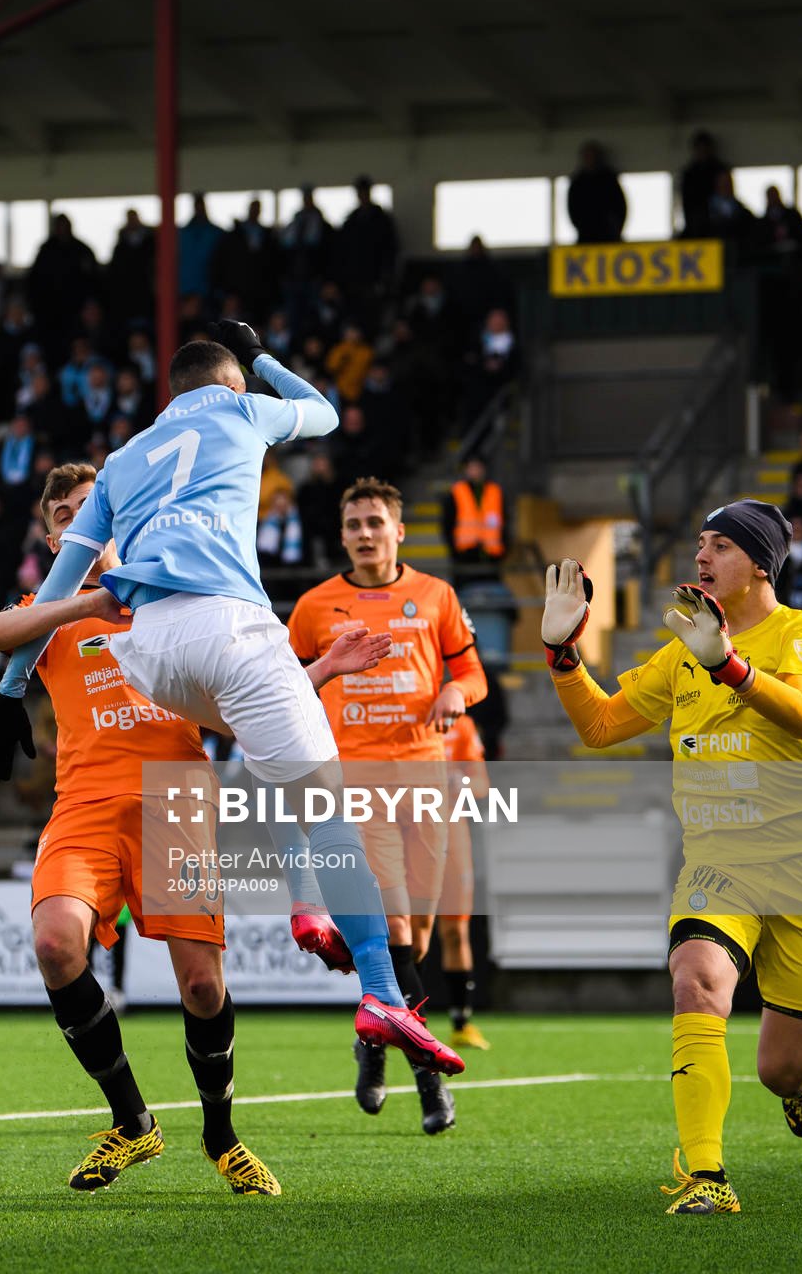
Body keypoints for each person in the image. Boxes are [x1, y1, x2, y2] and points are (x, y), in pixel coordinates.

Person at [0, 326, 462, 1081]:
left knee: (268, 758)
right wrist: (266, 356)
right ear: (232, 385)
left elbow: (51, 596)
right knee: (327, 806)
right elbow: (325, 413)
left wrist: (10, 692)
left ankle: (307, 904)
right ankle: (381, 990)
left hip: (152, 656)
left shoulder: (119, 462)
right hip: (229, 623)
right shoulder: (240, 412)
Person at [0, 461, 394, 1195]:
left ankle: (222, 1135)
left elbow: (239, 710)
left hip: (178, 807)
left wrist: (318, 670)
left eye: (90, 509)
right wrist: (82, 603)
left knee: (202, 988)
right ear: (49, 536)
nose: (80, 523)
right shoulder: (46, 615)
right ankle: (132, 1123)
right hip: (86, 806)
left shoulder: (174, 604)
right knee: (53, 941)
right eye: (65, 515)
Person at [541, 500, 802, 1215]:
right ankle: (706, 1175)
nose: (701, 557)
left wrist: (731, 666)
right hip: (721, 864)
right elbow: (599, 724)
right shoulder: (682, 651)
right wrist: (564, 656)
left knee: (779, 1070)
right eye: (699, 544)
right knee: (696, 979)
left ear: (761, 563)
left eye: (719, 545)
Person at [286, 478, 488, 1133]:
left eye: (376, 521)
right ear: (341, 535)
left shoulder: (436, 596)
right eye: (354, 524)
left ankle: (373, 1039)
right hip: (355, 785)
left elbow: (473, 672)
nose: (365, 533)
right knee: (395, 932)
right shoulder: (316, 606)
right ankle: (430, 1081)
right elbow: (284, 687)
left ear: (399, 530)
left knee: (419, 938)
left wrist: (458, 695)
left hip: (426, 784)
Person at [437, 714, 490, 1053]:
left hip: (452, 834)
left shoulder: (462, 724)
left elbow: (482, 785)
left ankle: (462, 1023)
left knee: (456, 930)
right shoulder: (395, 713)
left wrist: (459, 782)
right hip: (404, 830)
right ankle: (407, 1018)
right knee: (409, 932)